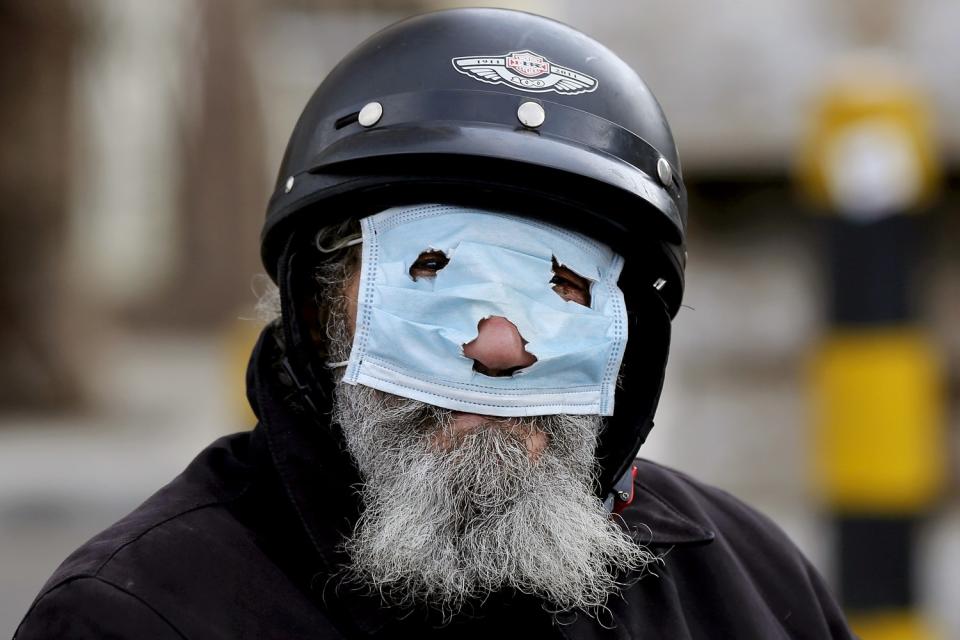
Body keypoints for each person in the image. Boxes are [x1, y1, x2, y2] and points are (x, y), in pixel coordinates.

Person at [16, 8, 854, 639]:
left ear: (631, 332)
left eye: (562, 288)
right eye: (428, 272)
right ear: (317, 305)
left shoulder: (748, 588)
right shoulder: (139, 616)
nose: (498, 349)